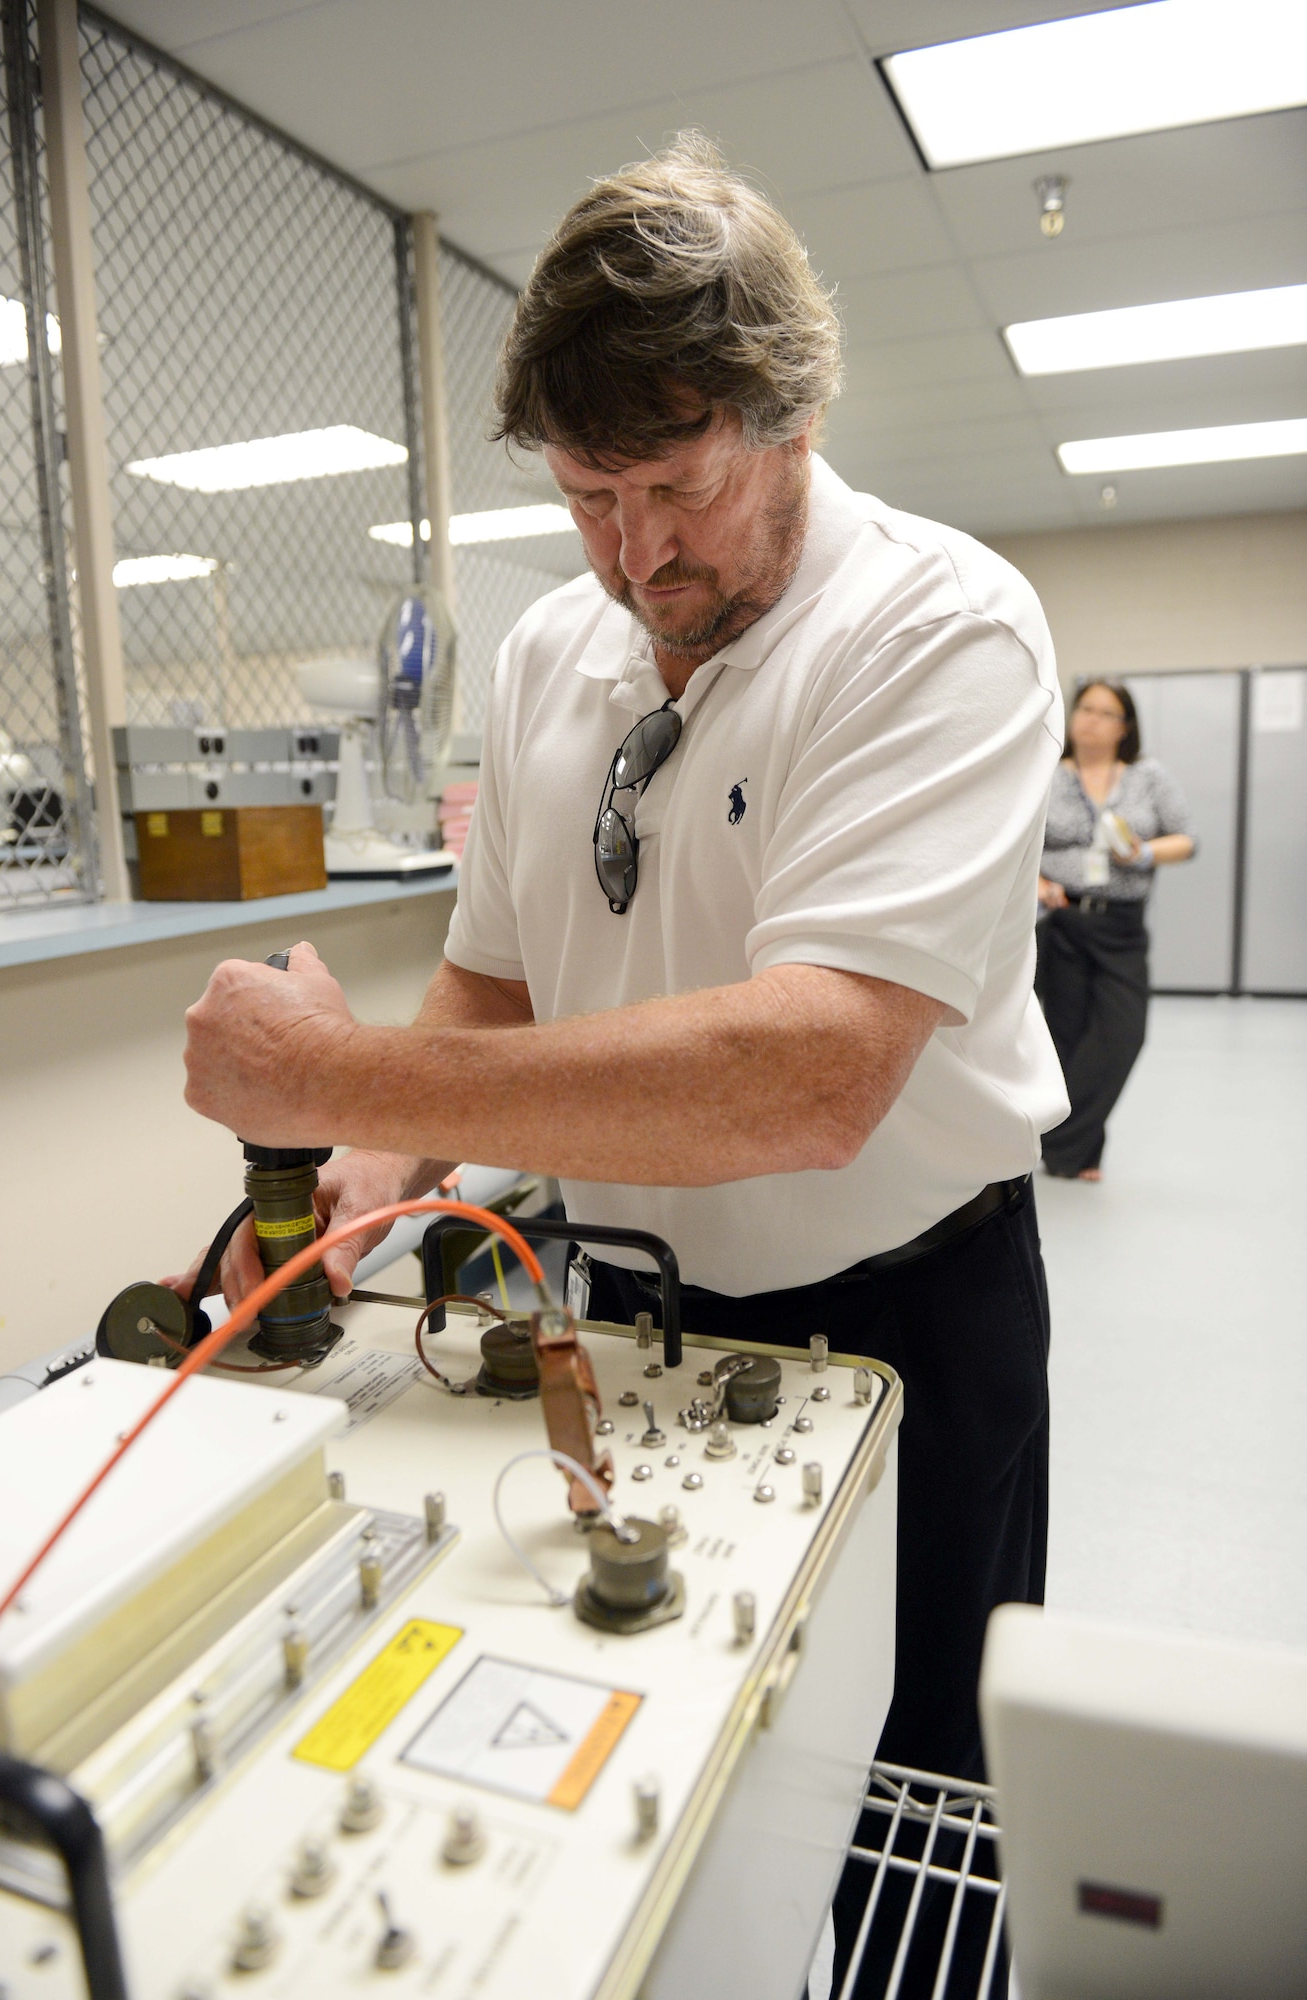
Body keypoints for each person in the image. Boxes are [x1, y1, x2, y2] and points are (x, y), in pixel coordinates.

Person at [177, 137, 1066, 1988]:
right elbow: (493, 991)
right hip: (631, 1305)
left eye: (677, 485)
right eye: (590, 496)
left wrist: (342, 1088)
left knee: (917, 1790)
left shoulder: (938, 629)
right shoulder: (553, 649)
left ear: (796, 411)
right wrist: (364, 1186)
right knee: (640, 1750)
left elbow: (814, 1078)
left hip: (912, 1307)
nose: (637, 553)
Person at [1036, 680, 1195, 1180]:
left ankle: (1054, 1137)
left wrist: (1145, 852)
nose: (1093, 720)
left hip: (1120, 926)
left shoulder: (1148, 777)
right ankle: (1082, 1153)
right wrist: (1038, 879)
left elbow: (1185, 839)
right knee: (1069, 1036)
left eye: (1107, 713)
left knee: (1123, 1034)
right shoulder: (1044, 773)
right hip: (1060, 923)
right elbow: (1015, 841)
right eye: (1086, 708)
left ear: (1124, 726)